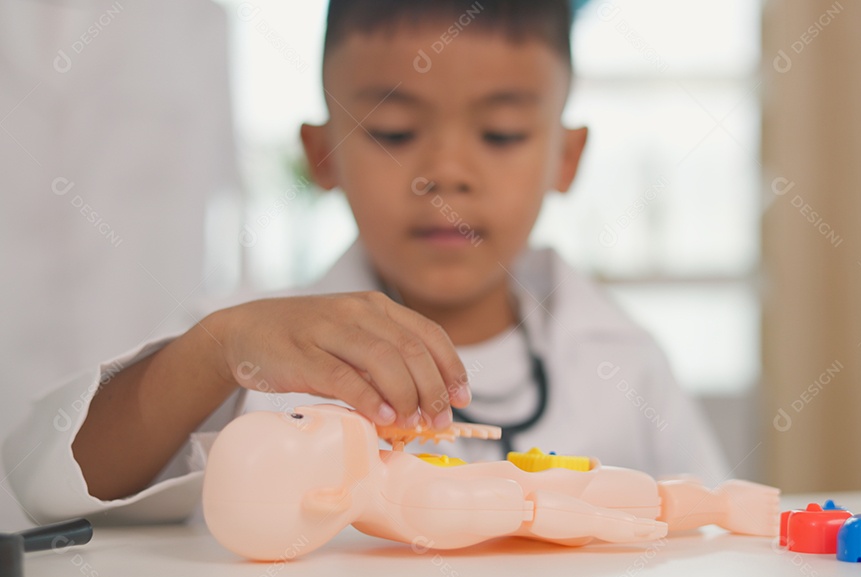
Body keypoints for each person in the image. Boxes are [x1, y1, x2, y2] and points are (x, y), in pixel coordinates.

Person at [3, 0, 729, 525]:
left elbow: (710, 533)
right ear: (322, 155)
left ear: (565, 158)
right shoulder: (247, 353)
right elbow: (48, 481)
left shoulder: (624, 362)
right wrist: (217, 350)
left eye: (502, 133)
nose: (445, 172)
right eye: (392, 129)